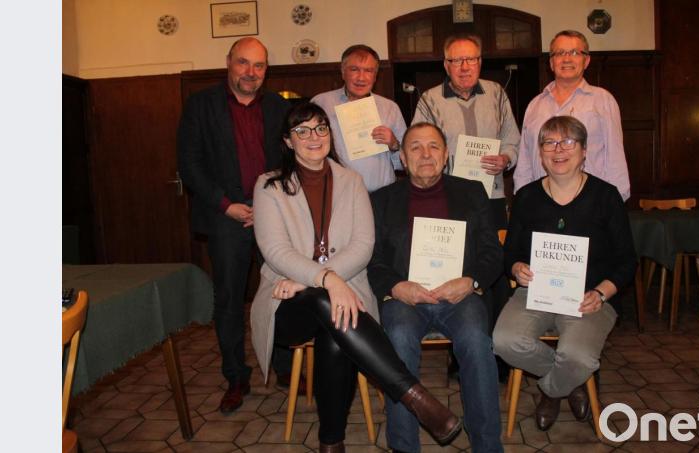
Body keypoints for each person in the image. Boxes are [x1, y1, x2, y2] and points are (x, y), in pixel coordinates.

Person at [250, 103, 462, 452]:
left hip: (337, 293)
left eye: (320, 128)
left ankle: (331, 443)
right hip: (286, 301)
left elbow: (364, 246)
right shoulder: (269, 186)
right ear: (288, 141)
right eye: (301, 131)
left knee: (334, 323)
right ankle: (416, 396)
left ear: (330, 134)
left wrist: (314, 279)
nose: (313, 137)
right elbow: (276, 251)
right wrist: (328, 280)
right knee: (326, 300)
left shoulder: (351, 181)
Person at [493, 116, 637, 431]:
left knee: (580, 358)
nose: (559, 150)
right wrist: (517, 267)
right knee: (504, 341)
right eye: (550, 143)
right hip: (536, 293)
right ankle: (567, 384)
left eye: (569, 142)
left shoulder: (606, 196)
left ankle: (550, 390)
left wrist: (601, 293)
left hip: (589, 299)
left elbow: (627, 261)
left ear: (584, 151)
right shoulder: (527, 197)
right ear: (540, 153)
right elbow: (511, 254)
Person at [368, 122, 504, 453]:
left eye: (433, 147)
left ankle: (487, 446)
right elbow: (372, 259)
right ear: (401, 157)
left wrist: (470, 281)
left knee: (475, 339)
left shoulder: (472, 192)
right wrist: (397, 286)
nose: (425, 154)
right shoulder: (380, 200)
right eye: (415, 147)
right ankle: (404, 447)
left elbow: (492, 252)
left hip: (459, 296)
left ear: (445, 156)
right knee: (398, 339)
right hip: (405, 299)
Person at [177, 37, 290, 413]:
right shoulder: (201, 105)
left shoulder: (278, 107)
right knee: (228, 301)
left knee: (286, 291)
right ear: (228, 62)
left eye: (259, 66)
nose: (250, 73)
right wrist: (227, 206)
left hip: (273, 217)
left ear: (266, 70)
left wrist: (274, 203)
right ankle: (236, 377)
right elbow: (189, 164)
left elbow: (291, 159)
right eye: (243, 63)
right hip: (226, 218)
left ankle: (288, 369)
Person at [411, 33, 520, 230]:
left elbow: (511, 139)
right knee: (453, 256)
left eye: (471, 59)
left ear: (479, 62)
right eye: (456, 60)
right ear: (446, 65)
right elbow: (416, 145)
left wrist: (505, 158)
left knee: (492, 255)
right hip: (446, 194)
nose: (464, 67)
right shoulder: (429, 100)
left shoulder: (497, 93)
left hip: (491, 193)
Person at [513, 30, 630, 200]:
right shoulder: (535, 105)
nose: (567, 59)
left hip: (591, 202)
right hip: (542, 203)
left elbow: (615, 158)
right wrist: (523, 200)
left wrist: (616, 202)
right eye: (560, 53)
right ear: (552, 62)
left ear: (586, 60)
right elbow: (524, 161)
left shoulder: (603, 101)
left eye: (575, 52)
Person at [312, 44, 407, 192]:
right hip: (337, 194)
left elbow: (405, 163)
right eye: (354, 69)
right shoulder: (321, 103)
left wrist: (394, 143)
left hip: (382, 194)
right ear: (343, 72)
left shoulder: (390, 108)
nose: (361, 77)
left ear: (375, 76)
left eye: (368, 70)